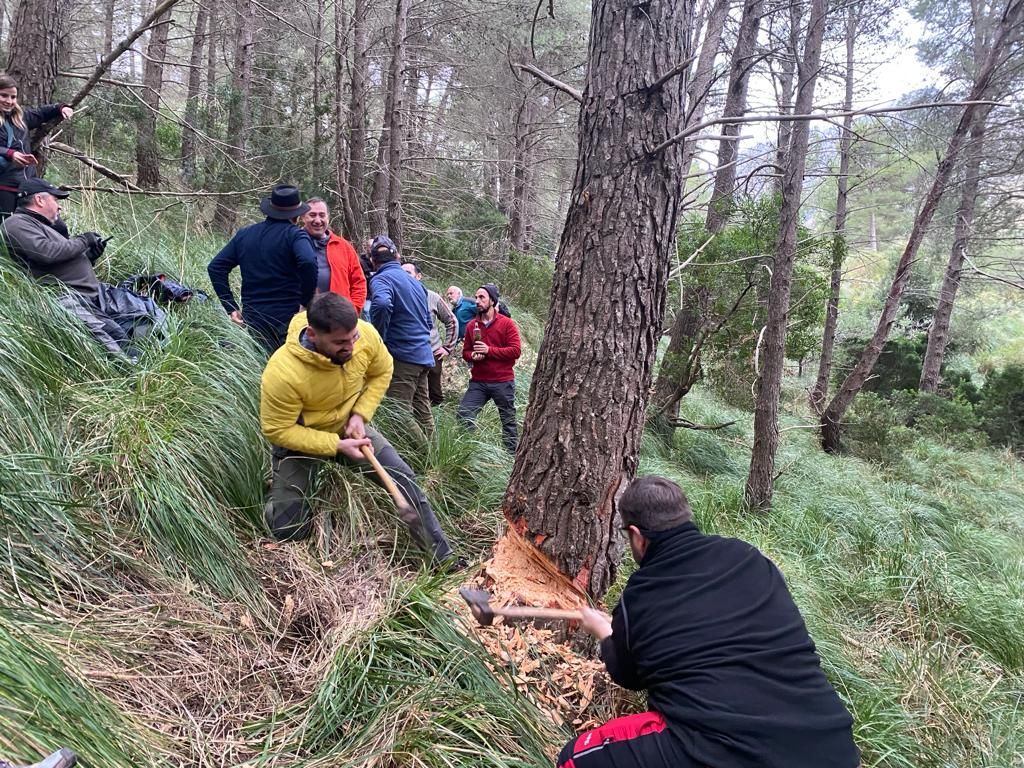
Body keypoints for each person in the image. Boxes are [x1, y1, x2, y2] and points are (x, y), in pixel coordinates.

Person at [566, 476, 861, 768]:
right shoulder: (749, 557)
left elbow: (629, 676)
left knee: (572, 759)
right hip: (832, 746)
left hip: (725, 751)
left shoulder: (640, 596)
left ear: (637, 535)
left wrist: (605, 633)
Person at [260, 292, 463, 568]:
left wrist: (360, 415)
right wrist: (335, 445)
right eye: (341, 343)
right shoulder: (283, 371)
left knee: (402, 478)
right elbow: (277, 430)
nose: (352, 347)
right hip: (303, 439)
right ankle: (275, 493)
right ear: (313, 334)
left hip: (350, 429)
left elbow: (383, 369)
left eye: (353, 337)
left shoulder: (364, 335)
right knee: (287, 529)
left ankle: (442, 560)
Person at [0, 178, 140, 357]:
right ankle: (134, 381)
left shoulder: (42, 226)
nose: (59, 207)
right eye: (56, 200)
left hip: (81, 297)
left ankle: (141, 375)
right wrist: (84, 240)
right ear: (39, 200)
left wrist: (89, 256)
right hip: (60, 298)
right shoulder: (16, 223)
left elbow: (60, 259)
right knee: (107, 347)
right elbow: (46, 253)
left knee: (119, 336)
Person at [207, 184, 317, 353]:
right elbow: (308, 262)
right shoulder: (295, 235)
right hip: (288, 319)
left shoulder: (245, 234)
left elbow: (216, 267)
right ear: (296, 215)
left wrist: (231, 307)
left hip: (253, 319)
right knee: (288, 371)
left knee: (258, 371)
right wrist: (305, 303)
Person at [367, 235, 435, 439]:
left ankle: (427, 459)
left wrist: (378, 336)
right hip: (423, 353)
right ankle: (438, 460)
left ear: (373, 261)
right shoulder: (415, 282)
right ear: (397, 256)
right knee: (422, 410)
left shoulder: (381, 278)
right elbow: (428, 320)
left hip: (403, 356)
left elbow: (381, 304)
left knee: (398, 411)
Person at [457, 283, 521, 452]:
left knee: (508, 421)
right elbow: (466, 352)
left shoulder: (507, 324)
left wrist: (489, 351)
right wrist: (473, 356)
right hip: (478, 382)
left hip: (502, 381)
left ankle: (511, 456)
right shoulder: (472, 326)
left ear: (492, 301)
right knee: (464, 414)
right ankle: (468, 451)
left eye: (482, 297)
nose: (477, 301)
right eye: (476, 297)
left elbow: (515, 351)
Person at [0, 74, 74, 216]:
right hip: (4, 188)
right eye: (3, 96)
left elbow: (41, 113)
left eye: (13, 97)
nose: (9, 101)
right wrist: (11, 154)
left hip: (25, 188)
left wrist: (61, 108)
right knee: (6, 231)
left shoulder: (20, 118)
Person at [402, 261, 456, 406]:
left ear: (418, 276)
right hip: (406, 354)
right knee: (410, 394)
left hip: (432, 352)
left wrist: (447, 347)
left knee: (434, 394)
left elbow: (452, 321)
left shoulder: (432, 297)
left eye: (408, 273)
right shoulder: (398, 296)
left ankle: (437, 423)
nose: (404, 277)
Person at [301, 197, 367, 312]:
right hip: (301, 316)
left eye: (322, 215)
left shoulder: (343, 246)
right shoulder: (294, 244)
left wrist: (353, 310)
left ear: (328, 217)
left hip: (338, 317)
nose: (317, 220)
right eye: (312, 215)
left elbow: (358, 282)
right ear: (303, 217)